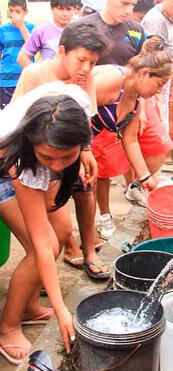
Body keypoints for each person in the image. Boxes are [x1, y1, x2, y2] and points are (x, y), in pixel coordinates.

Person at [0, 83, 94, 363]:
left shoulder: (75, 102)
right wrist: (61, 307)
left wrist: (85, 151)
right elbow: (41, 244)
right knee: (45, 245)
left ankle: (27, 307)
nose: (57, 165)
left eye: (67, 156)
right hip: (4, 167)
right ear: (33, 145)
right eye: (48, 158)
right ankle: (7, 328)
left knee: (59, 235)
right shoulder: (22, 156)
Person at [14, 22, 109, 279]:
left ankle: (87, 251)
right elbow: (18, 124)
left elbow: (87, 117)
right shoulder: (34, 74)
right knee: (43, 230)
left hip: (69, 154)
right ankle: (39, 273)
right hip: (35, 162)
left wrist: (86, 151)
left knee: (85, 190)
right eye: (81, 60)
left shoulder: (86, 78)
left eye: (93, 63)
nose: (86, 68)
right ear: (62, 51)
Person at [78, 0, 149, 236]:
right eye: (124, 3)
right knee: (89, 178)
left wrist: (141, 108)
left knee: (103, 171)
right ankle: (95, 224)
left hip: (121, 105)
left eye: (133, 4)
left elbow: (141, 67)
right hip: (86, 110)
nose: (129, 10)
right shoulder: (85, 26)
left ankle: (90, 233)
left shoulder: (136, 30)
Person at [91, 36, 173, 200]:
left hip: (78, 147)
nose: (159, 91)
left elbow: (130, 140)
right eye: (160, 84)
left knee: (83, 196)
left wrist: (145, 178)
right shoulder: (112, 80)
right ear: (144, 73)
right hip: (60, 139)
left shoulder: (137, 99)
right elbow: (71, 110)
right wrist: (83, 152)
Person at [142, 0, 173, 124]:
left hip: (166, 81)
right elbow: (150, 62)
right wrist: (157, 94)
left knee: (163, 123)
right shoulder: (154, 20)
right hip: (152, 83)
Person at [17, 0, 75, 68]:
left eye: (69, 9)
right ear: (52, 9)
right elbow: (22, 58)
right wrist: (39, 76)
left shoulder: (80, 31)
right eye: (60, 9)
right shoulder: (41, 30)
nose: (65, 14)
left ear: (74, 10)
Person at [0, 0, 34, 109]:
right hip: (7, 80)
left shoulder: (31, 28)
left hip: (26, 79)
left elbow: (33, 47)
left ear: (25, 12)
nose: (14, 15)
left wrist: (21, 26)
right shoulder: (2, 30)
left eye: (17, 12)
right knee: (8, 112)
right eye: (11, 11)